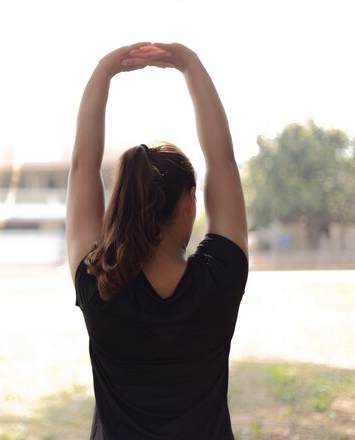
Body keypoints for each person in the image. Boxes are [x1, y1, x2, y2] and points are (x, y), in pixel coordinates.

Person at [65, 42, 249, 439]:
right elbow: (223, 159)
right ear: (188, 204)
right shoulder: (221, 277)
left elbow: (82, 166)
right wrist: (190, 64)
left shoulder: (99, 284)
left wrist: (103, 71)